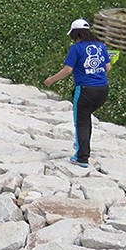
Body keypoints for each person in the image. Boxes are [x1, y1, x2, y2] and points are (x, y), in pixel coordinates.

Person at [45, 19, 111, 168]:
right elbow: (108, 68)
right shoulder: (101, 46)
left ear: (75, 34)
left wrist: (51, 80)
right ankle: (82, 143)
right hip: (103, 91)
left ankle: (81, 157)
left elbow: (68, 70)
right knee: (86, 119)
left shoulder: (76, 48)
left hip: (85, 90)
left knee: (81, 123)